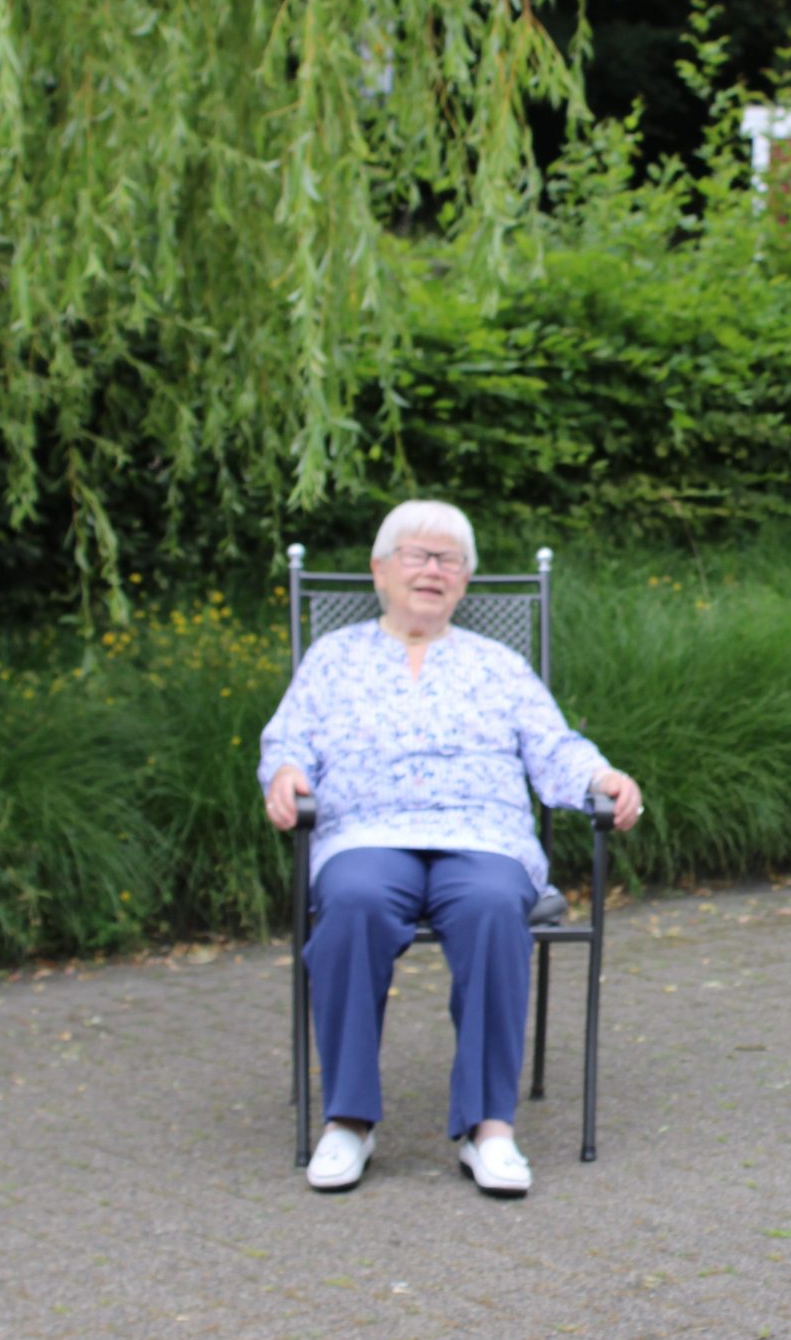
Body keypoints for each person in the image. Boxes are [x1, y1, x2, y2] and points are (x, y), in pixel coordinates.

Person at [260, 501, 642, 1198]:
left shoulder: (498, 664)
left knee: (494, 906)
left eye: (449, 560)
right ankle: (348, 1120)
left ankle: (488, 1126)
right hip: (366, 832)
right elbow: (287, 740)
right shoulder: (333, 658)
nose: (432, 570)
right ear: (380, 570)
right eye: (417, 555)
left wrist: (601, 777)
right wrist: (285, 774)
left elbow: (553, 746)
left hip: (482, 835)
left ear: (465, 581)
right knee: (352, 902)